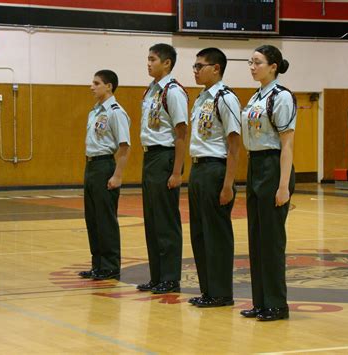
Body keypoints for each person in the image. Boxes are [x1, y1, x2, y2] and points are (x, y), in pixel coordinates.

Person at [240, 45, 297, 321]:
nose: (252, 67)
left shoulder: (281, 96)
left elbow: (287, 144)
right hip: (255, 166)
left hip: (273, 166)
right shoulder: (255, 97)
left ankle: (276, 304)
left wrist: (283, 185)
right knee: (257, 239)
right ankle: (261, 301)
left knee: (271, 241)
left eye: (258, 62)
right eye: (250, 62)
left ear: (273, 66)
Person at [188, 48, 241, 307]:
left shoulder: (226, 98)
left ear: (216, 68)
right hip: (198, 169)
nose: (195, 70)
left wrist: (228, 184)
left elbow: (233, 144)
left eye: (200, 66)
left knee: (216, 235)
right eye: (195, 66)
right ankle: (207, 290)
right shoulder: (200, 98)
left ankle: (221, 293)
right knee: (199, 234)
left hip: (215, 169)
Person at [137, 43, 188, 294]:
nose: (148, 63)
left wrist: (177, 171)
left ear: (167, 63)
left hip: (165, 157)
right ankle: (156, 276)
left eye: (153, 59)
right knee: (152, 220)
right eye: (147, 59)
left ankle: (170, 277)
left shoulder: (173, 91)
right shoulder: (151, 91)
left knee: (166, 221)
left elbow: (181, 132)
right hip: (149, 157)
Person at [78, 70, 131, 281]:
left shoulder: (115, 112)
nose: (92, 86)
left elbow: (125, 146)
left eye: (96, 83)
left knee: (105, 219)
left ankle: (110, 265)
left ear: (108, 86)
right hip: (91, 166)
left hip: (104, 166)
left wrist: (118, 175)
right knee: (92, 219)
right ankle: (97, 264)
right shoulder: (95, 111)